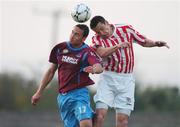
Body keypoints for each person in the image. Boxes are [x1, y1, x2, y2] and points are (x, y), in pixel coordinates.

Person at [90, 16, 170, 127]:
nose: (102, 33)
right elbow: (102, 53)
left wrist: (156, 43)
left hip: (126, 80)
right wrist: (118, 46)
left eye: (103, 28)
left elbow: (143, 41)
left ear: (107, 23)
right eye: (98, 32)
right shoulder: (96, 39)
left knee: (123, 120)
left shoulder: (126, 29)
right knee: (99, 116)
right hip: (108, 78)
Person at [31, 24, 104, 127]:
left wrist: (94, 69)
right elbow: (51, 71)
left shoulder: (86, 51)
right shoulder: (60, 48)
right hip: (63, 98)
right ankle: (93, 118)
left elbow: (99, 67)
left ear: (83, 38)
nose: (72, 36)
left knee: (86, 123)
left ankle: (91, 117)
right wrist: (39, 92)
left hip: (79, 94)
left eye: (76, 34)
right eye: (72, 32)